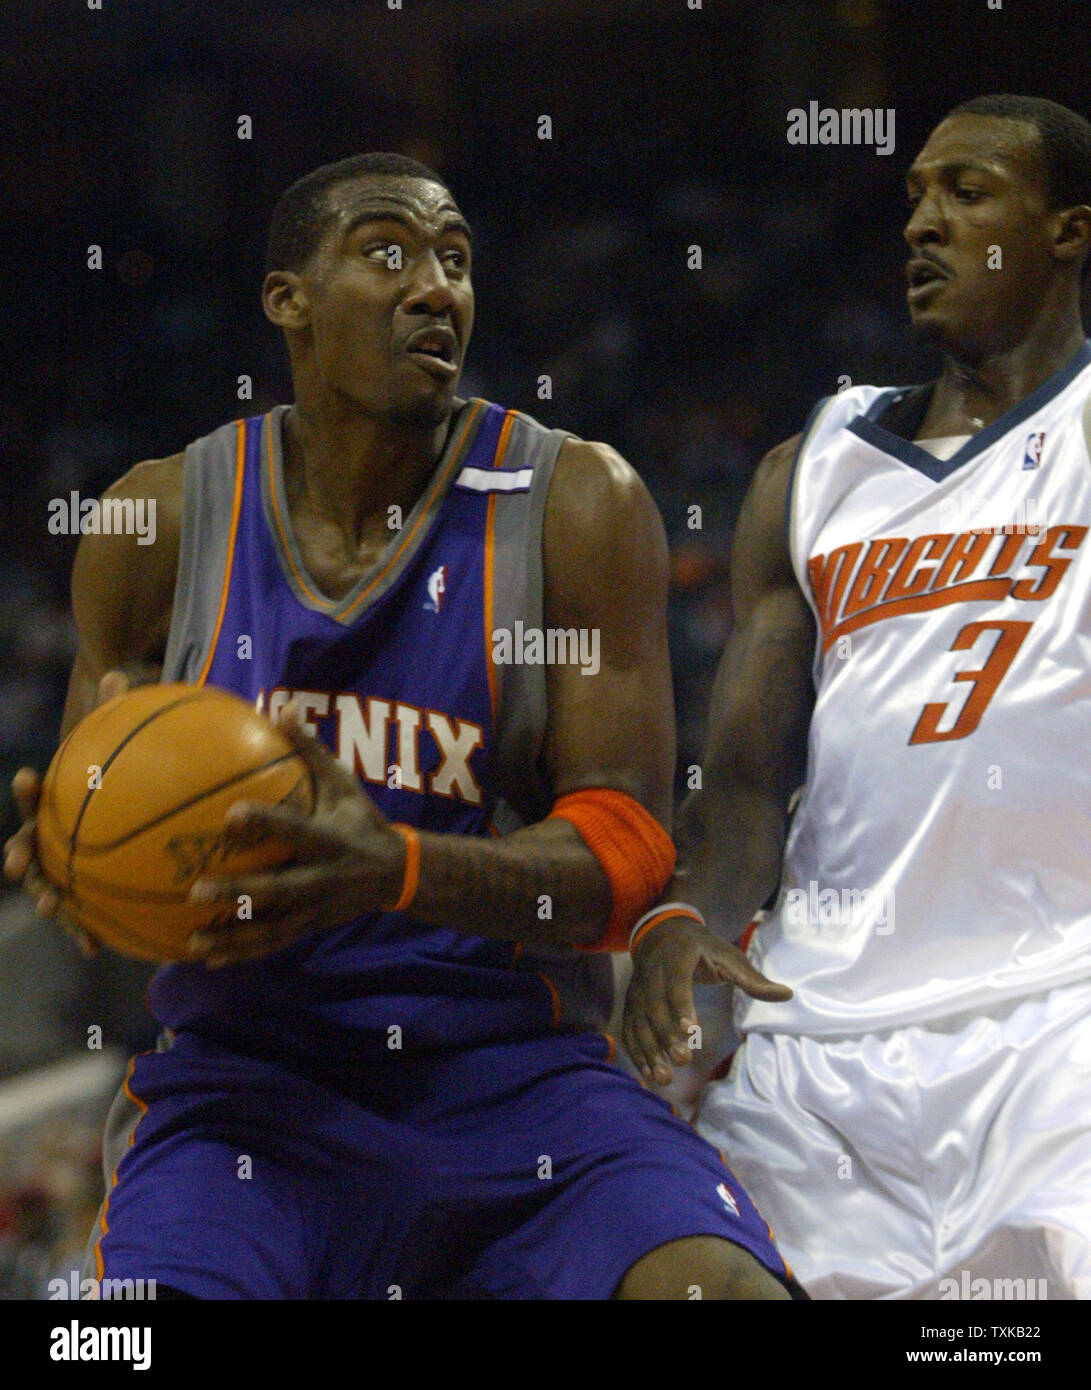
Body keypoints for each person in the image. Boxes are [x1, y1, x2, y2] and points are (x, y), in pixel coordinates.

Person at [5, 153, 800, 1300]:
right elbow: (122, 856)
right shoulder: (156, 523)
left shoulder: (575, 504)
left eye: (456, 261)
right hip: (248, 1102)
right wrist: (78, 868)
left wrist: (396, 870)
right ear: (287, 299)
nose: (437, 287)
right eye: (388, 253)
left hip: (520, 1085)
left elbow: (625, 863)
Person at [624, 94, 1091, 1300]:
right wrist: (682, 922)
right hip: (819, 1035)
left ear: (1067, 233)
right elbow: (742, 787)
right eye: (915, 197)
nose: (923, 224)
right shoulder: (812, 468)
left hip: (1060, 1014)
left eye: (967, 194)